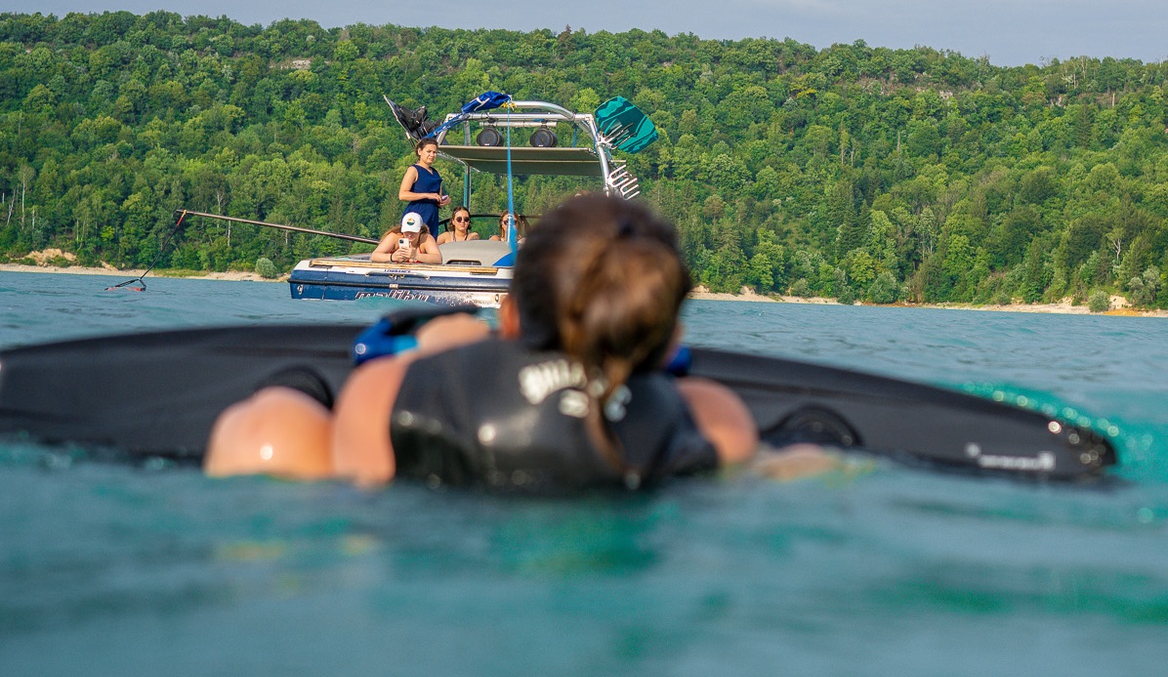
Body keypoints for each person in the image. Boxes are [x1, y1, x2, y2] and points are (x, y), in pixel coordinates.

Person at [206, 192, 762, 490]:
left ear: (511, 314)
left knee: (271, 424)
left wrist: (440, 353)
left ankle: (294, 384)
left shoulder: (386, 393)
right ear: (668, 341)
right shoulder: (715, 420)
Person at [398, 139, 448, 241]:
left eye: (434, 152)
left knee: (429, 242)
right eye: (429, 151)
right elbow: (403, 195)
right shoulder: (414, 170)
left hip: (432, 214)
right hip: (417, 212)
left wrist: (444, 200)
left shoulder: (435, 173)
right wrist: (427, 195)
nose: (432, 155)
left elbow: (437, 196)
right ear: (420, 151)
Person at [368, 211, 442, 266]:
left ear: (420, 230)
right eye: (407, 231)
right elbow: (374, 256)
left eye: (413, 231)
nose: (409, 234)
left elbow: (438, 259)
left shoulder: (426, 239)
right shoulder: (394, 237)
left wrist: (416, 256)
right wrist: (392, 257)